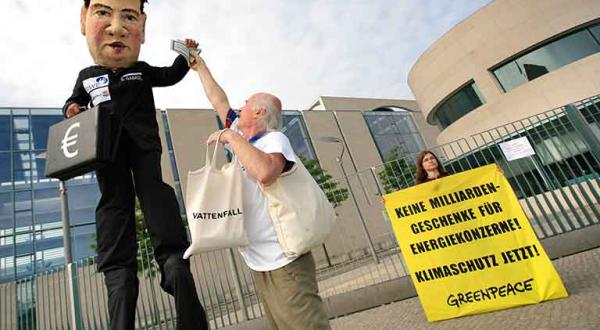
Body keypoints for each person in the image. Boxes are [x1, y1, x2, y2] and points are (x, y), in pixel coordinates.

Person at [63, 1, 208, 329]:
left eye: (128, 16)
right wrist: (72, 108)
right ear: (84, 21)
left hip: (143, 147)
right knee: (114, 205)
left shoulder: (140, 70)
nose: (116, 28)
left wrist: (185, 56)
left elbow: (170, 76)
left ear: (142, 27)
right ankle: (120, 281)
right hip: (107, 151)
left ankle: (173, 264)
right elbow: (73, 100)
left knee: (154, 193)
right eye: (103, 13)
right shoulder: (87, 76)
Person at [189, 51, 331, 330]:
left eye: (246, 104)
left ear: (259, 112)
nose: (239, 107)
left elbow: (265, 172)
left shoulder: (274, 140)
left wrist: (229, 136)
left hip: (285, 261)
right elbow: (219, 100)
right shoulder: (242, 138)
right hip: (259, 261)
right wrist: (200, 66)